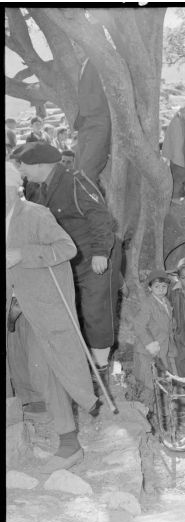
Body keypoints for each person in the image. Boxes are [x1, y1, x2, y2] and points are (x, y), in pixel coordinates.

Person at [6, 161, 99, 473]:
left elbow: (67, 248)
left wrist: (24, 254)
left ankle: (69, 444)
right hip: (14, 309)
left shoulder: (35, 214)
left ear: (10, 189)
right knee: (27, 373)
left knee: (47, 370)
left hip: (42, 309)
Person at [11, 142, 122, 387]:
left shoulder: (75, 181)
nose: (22, 172)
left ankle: (101, 367)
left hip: (96, 256)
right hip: (67, 259)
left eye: (25, 166)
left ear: (41, 164)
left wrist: (101, 252)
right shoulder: (34, 187)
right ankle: (82, 365)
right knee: (72, 310)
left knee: (96, 310)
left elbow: (100, 217)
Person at [132, 270, 177, 406]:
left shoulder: (166, 302)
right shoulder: (148, 304)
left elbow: (168, 324)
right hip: (148, 351)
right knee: (149, 385)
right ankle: (143, 419)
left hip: (163, 350)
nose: (161, 290)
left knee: (161, 383)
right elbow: (139, 325)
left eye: (164, 286)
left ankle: (158, 415)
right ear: (150, 288)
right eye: (157, 287)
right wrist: (149, 343)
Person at [74, 58, 111, 184]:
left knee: (87, 172)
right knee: (78, 170)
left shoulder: (97, 59)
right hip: (84, 121)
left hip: (99, 119)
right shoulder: (84, 63)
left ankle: (89, 203)